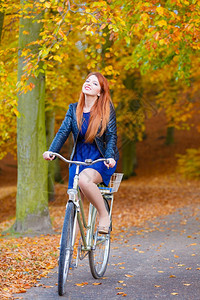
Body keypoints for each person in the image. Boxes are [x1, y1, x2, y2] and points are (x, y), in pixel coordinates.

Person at [43, 72, 119, 234]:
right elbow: (63, 132)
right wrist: (52, 150)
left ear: (100, 92)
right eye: (87, 80)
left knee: (85, 181)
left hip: (101, 159)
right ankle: (69, 250)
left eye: (95, 83)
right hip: (78, 159)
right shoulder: (73, 109)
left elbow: (112, 135)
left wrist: (110, 156)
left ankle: (104, 215)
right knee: (73, 201)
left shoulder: (106, 110)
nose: (89, 83)